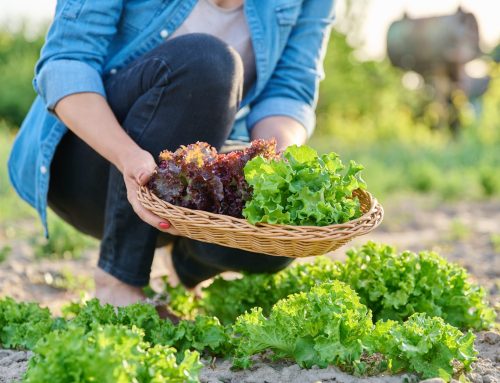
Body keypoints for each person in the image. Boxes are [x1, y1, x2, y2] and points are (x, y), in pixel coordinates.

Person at [8, 0, 336, 309]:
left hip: (178, 180)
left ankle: (186, 268)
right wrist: (129, 158)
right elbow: (67, 62)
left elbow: (290, 89)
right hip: (90, 167)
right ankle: (118, 281)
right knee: (210, 62)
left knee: (274, 233)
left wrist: (271, 170)